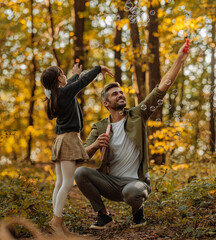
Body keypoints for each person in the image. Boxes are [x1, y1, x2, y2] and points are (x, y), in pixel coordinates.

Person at [74, 41, 190, 229]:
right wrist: (95, 145)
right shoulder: (100, 126)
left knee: (132, 192)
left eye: (121, 93)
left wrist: (179, 60)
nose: (120, 95)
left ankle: (138, 212)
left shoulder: (138, 114)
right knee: (80, 173)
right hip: (110, 183)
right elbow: (81, 156)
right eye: (114, 94)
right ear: (106, 103)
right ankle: (103, 215)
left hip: (135, 183)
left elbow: (161, 89)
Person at [40, 63, 113, 236]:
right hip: (69, 139)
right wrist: (98, 68)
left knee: (60, 183)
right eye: (63, 74)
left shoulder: (58, 94)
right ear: (59, 78)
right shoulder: (64, 93)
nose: (66, 76)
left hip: (61, 140)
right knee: (67, 182)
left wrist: (74, 75)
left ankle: (57, 223)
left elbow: (72, 84)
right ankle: (56, 222)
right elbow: (82, 82)